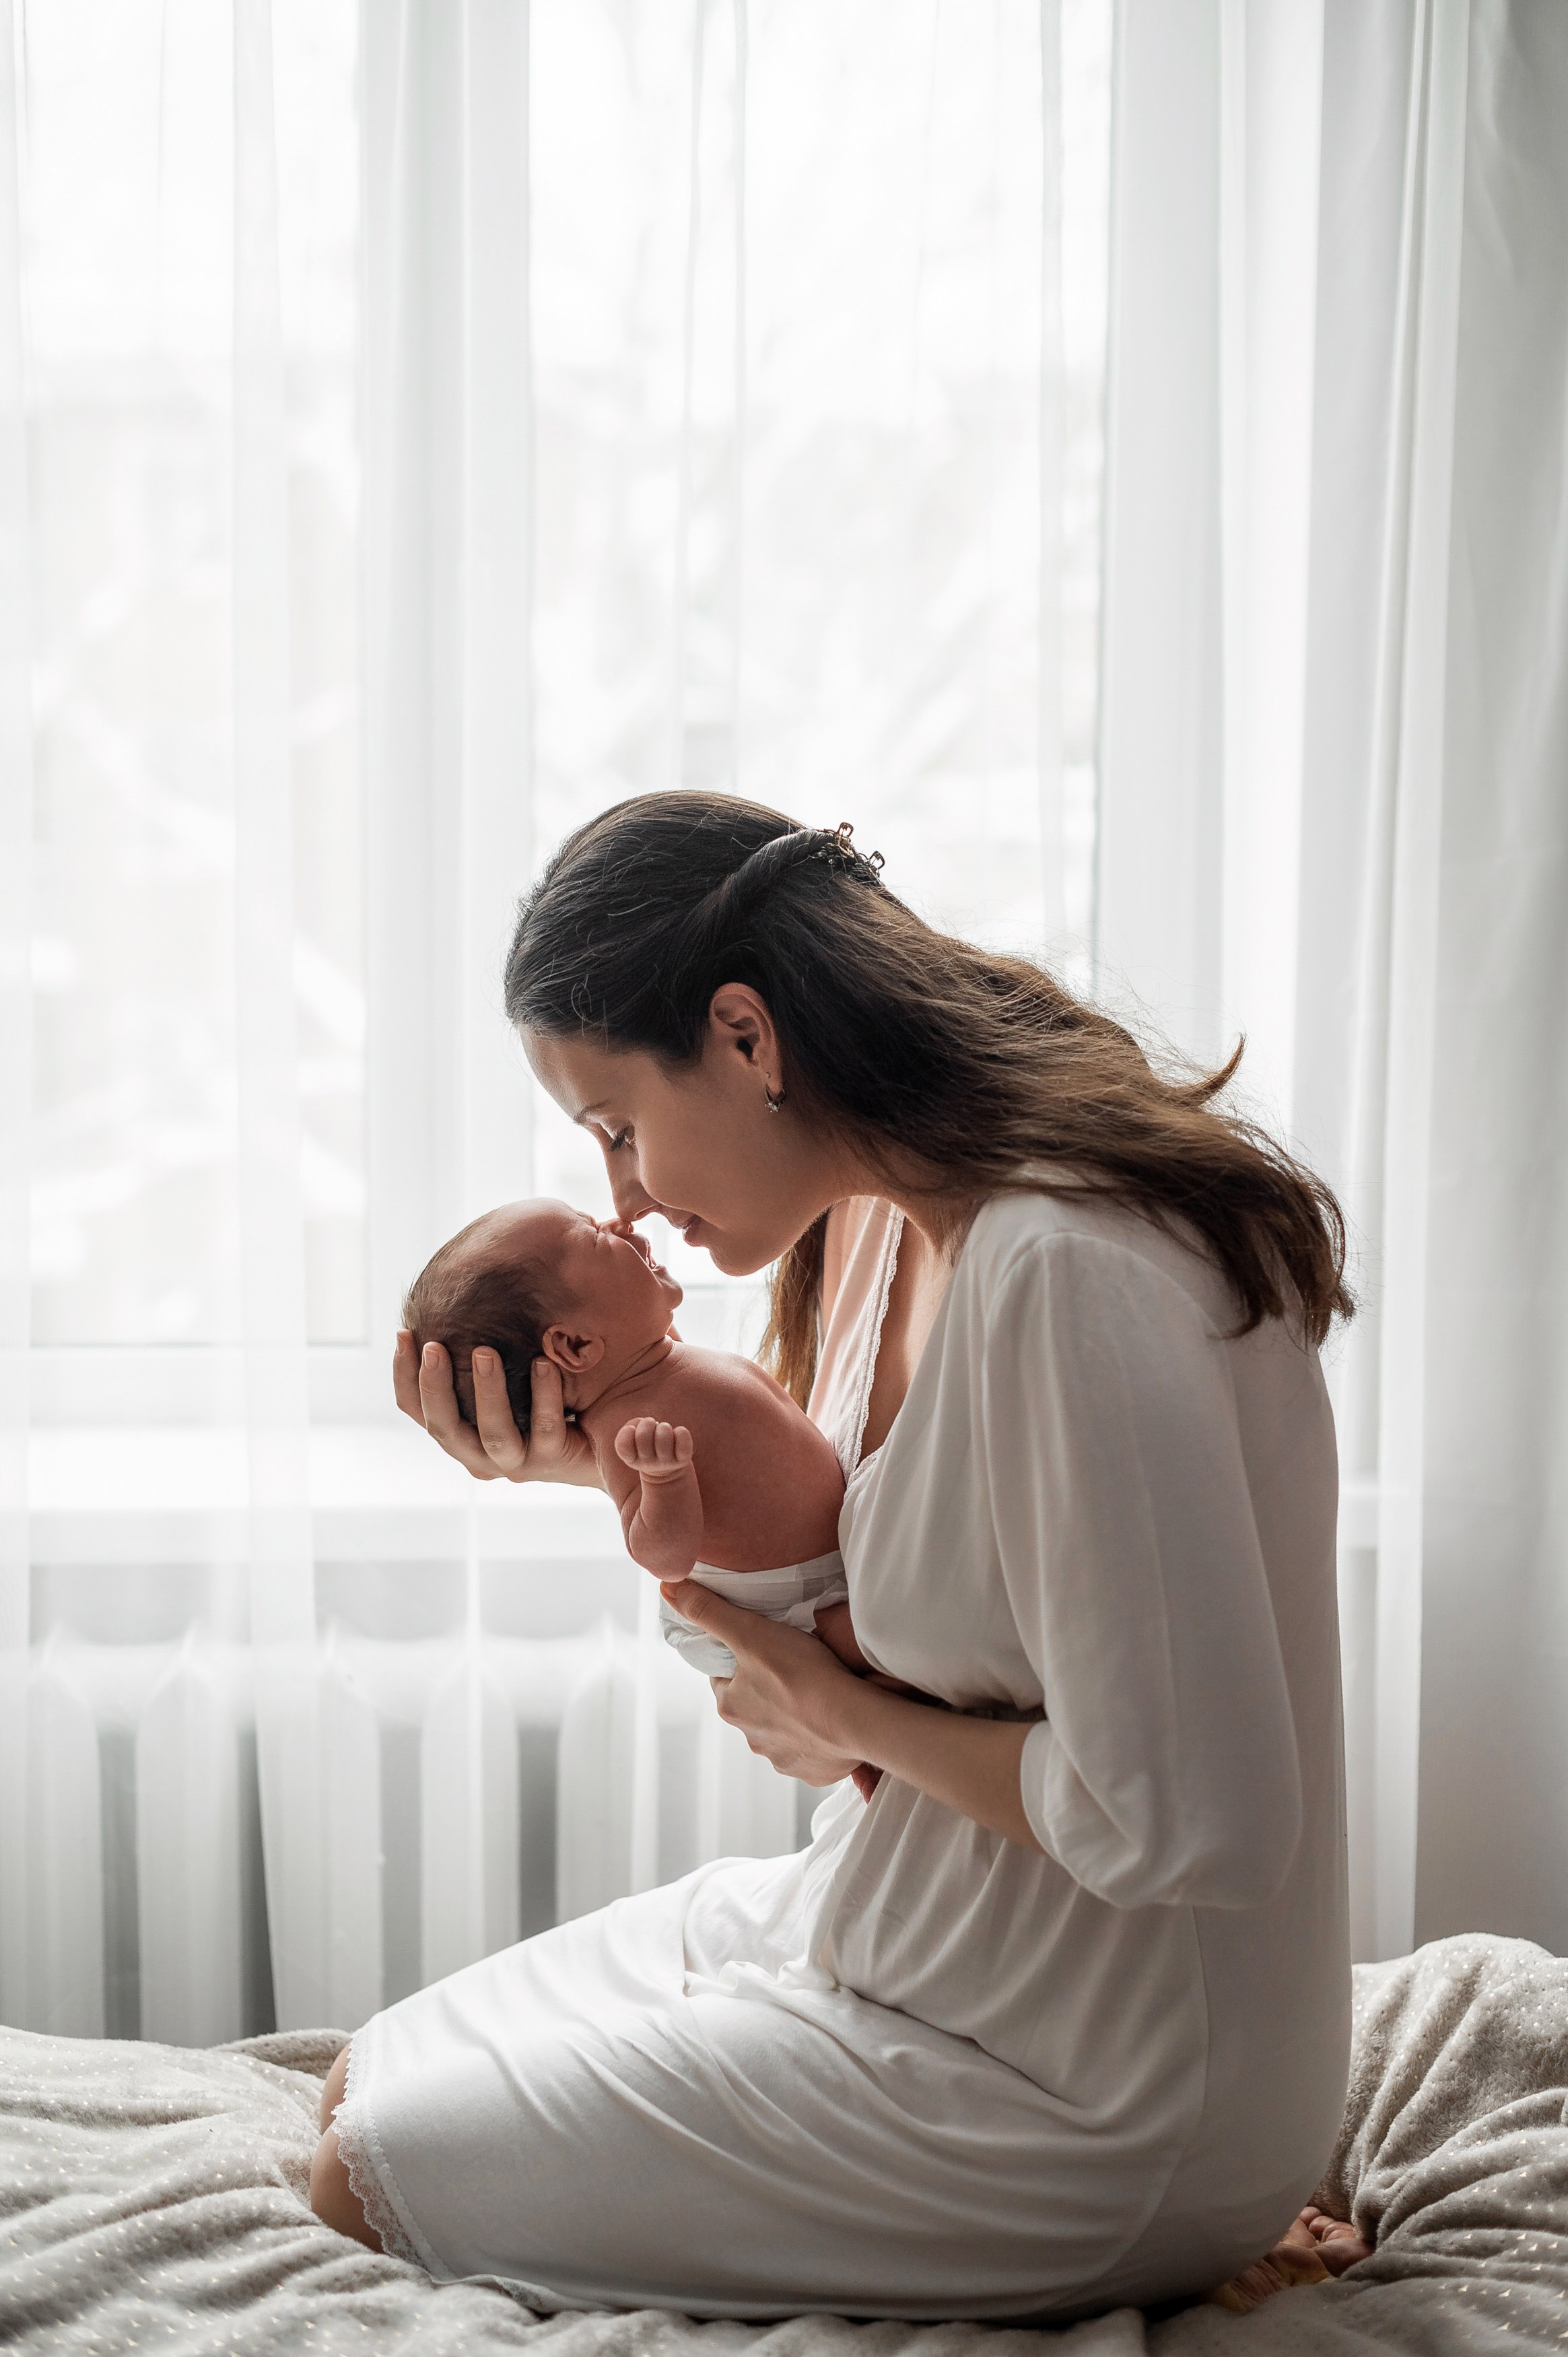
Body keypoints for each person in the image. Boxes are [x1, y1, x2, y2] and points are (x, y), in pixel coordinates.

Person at [309, 793, 1364, 2320]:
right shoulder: (871, 1222)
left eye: (615, 1125)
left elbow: (1191, 1826)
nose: (617, 1192)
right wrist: (594, 1455)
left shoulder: (1068, 1272)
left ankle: (1209, 2212)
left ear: (743, 1038)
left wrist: (843, 1717)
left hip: (1085, 2089)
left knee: (365, 2177)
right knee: (358, 2084)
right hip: (901, 1930)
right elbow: (834, 1612)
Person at [399, 1195, 855, 1677]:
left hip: (808, 1580)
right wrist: (662, 1480)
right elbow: (662, 1558)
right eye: (596, 1237)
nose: (620, 1223)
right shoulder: (627, 1430)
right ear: (576, 1346)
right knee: (888, 1664)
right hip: (782, 1610)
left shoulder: (658, 1363)